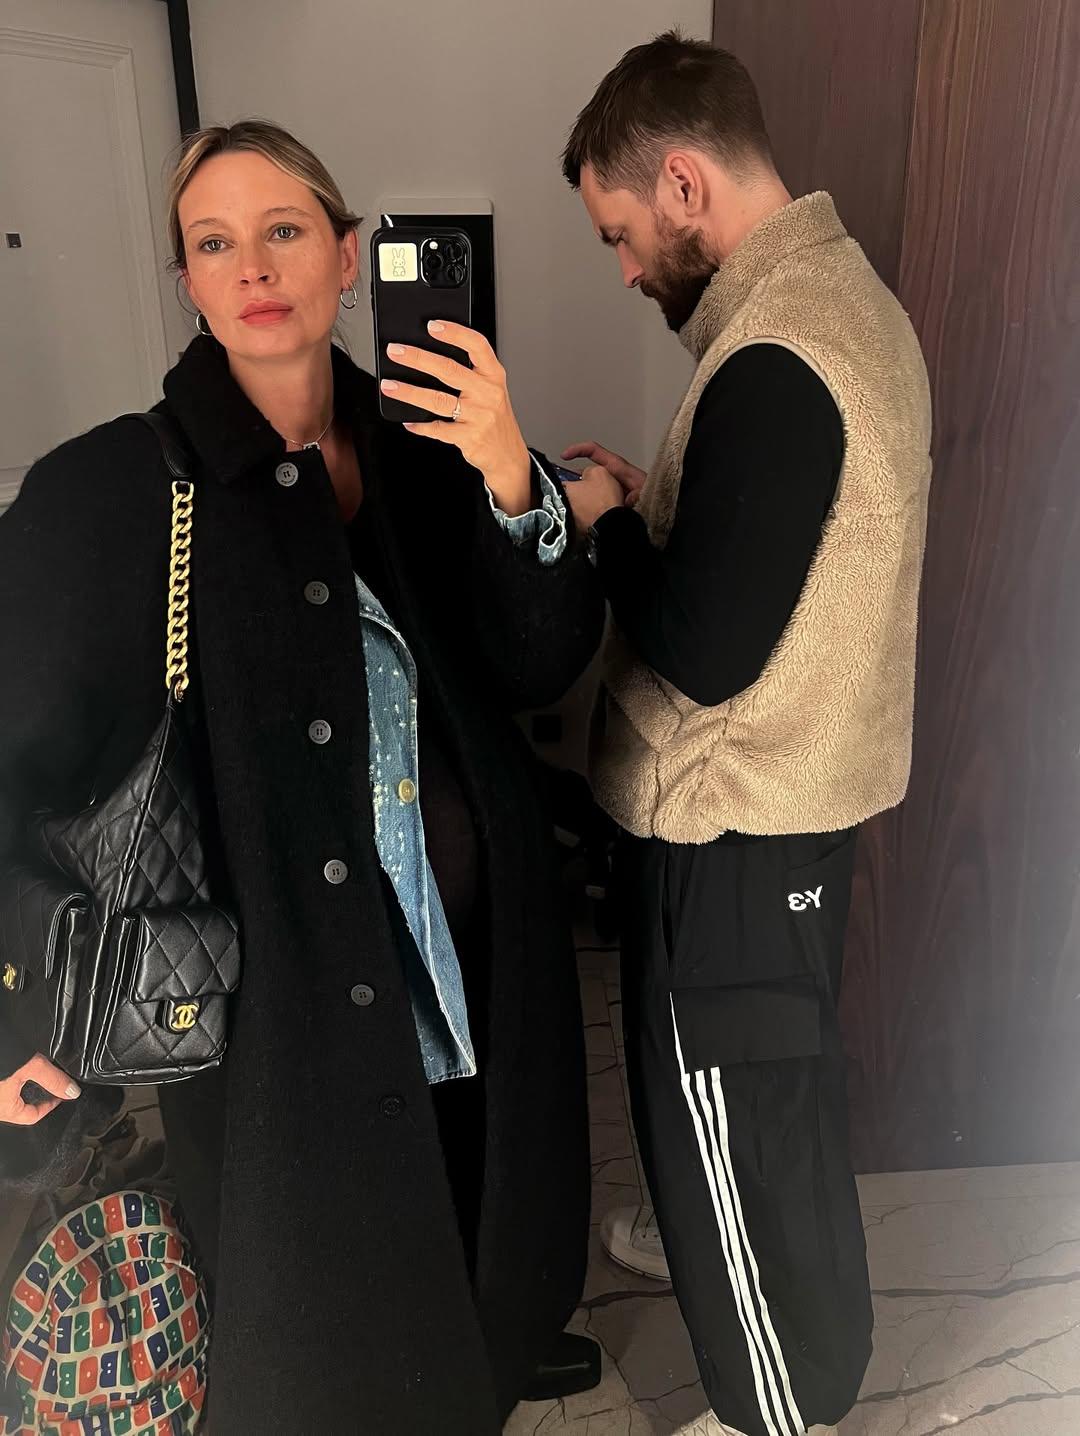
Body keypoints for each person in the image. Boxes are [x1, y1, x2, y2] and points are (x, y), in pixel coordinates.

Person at [0, 120, 606, 1432]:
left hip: (475, 967)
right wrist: (13, 1005)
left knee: (482, 1218)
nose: (254, 268)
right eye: (214, 243)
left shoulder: (426, 449)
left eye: (283, 232)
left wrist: (514, 473)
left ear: (345, 255)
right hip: (283, 1014)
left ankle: (490, 1362)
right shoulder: (117, 491)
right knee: (335, 1315)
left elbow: (542, 661)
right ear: (189, 280)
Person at [558, 33, 932, 1436]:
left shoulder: (777, 355)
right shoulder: (840, 305)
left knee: (732, 1119)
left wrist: (608, 529)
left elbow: (706, 649)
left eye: (620, 232)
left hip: (736, 829)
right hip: (792, 816)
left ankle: (777, 1408)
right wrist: (659, 501)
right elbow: (783, 548)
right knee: (768, 1111)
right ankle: (733, 1260)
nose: (623, 268)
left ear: (684, 182)